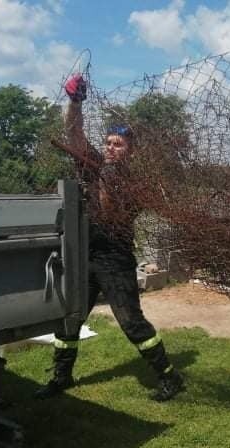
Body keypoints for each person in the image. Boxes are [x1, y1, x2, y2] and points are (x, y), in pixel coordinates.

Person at [36, 74, 185, 402]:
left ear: (130, 151)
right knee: (69, 319)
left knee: (132, 323)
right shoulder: (93, 165)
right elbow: (74, 135)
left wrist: (105, 178)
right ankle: (62, 377)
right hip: (85, 256)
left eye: (118, 145)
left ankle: (170, 377)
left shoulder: (134, 182)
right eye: (108, 143)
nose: (110, 148)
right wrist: (75, 102)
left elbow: (113, 208)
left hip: (115, 261)